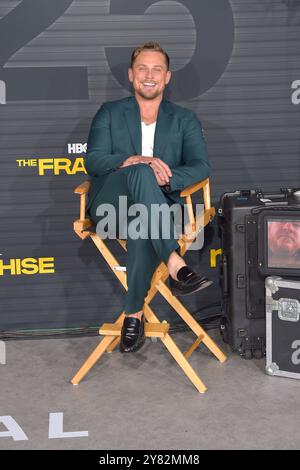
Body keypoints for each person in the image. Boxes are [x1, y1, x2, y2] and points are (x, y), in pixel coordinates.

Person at [85, 42, 212, 353]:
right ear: (131, 75)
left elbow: (200, 166)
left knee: (145, 222)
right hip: (111, 206)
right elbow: (93, 160)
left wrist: (164, 176)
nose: (149, 75)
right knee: (141, 172)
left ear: (167, 77)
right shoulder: (110, 113)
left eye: (157, 69)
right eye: (142, 68)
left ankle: (133, 317)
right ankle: (174, 262)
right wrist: (131, 161)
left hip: (158, 208)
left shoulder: (184, 119)